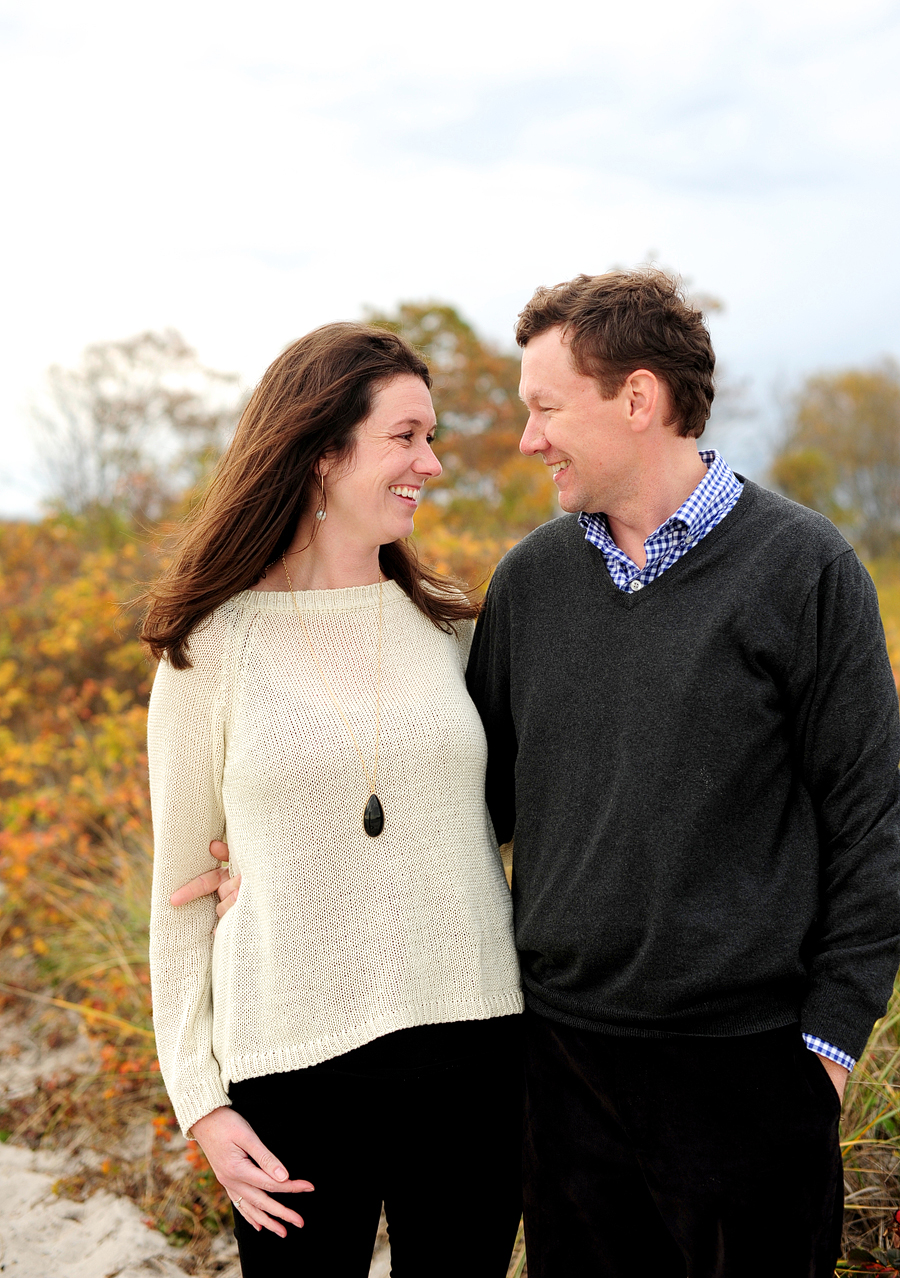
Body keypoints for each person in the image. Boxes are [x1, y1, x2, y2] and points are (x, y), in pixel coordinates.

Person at [462, 268, 900, 1277]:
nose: (529, 438)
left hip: (748, 1077)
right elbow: (465, 807)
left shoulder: (804, 569)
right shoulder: (530, 583)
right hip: (564, 1076)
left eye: (544, 407)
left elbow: (869, 821)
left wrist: (828, 1051)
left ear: (639, 398)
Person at [143, 322, 523, 1278]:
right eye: (406, 437)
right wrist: (202, 1099)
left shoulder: (449, 627)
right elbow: (178, 897)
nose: (431, 463)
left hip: (475, 1054)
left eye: (429, 438)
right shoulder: (209, 649)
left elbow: (509, 815)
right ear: (321, 451)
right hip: (293, 1069)